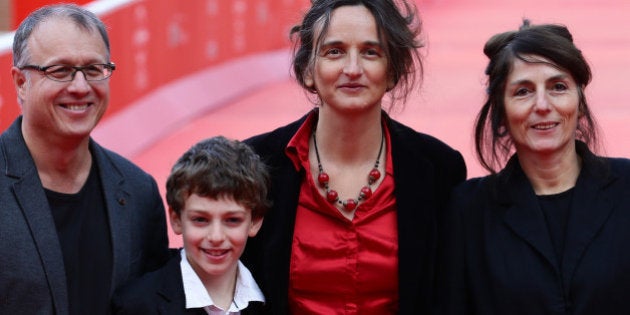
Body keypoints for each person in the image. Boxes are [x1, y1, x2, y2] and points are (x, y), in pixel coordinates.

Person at [242, 0, 466, 313]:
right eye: (335, 51)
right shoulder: (256, 164)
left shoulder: (439, 168)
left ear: (393, 72)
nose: (353, 69)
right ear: (308, 70)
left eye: (370, 52)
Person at [440, 20, 630, 314]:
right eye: (523, 91)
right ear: (501, 112)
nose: (542, 104)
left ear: (579, 103)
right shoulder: (467, 211)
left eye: (558, 87)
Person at [0, 4, 170, 314]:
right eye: (60, 70)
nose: (80, 87)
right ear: (21, 83)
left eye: (93, 69)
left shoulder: (138, 191)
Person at [111, 136, 270, 314]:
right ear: (176, 219)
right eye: (200, 220)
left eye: (232, 220)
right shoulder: (136, 305)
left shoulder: (273, 296)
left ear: (254, 221)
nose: (216, 237)